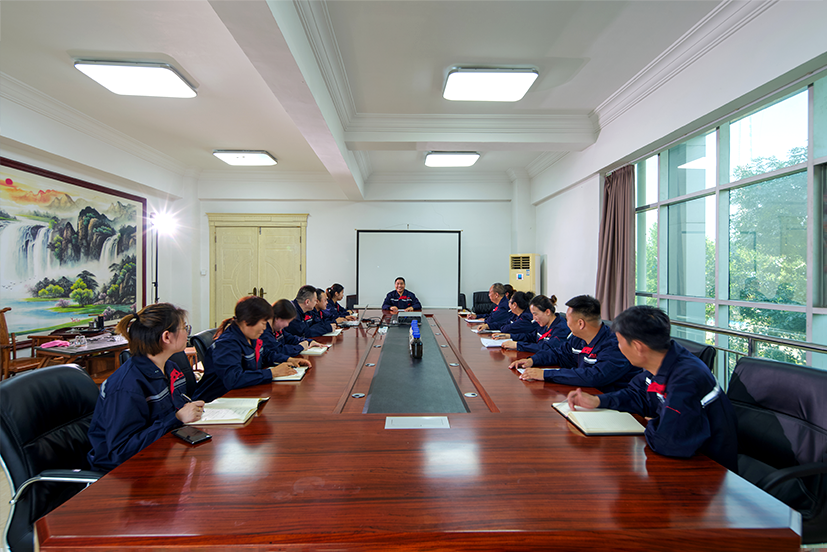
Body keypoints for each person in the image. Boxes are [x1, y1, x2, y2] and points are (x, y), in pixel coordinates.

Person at [565, 306, 738, 471]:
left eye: (620, 342)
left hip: (706, 470)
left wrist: (655, 422)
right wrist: (598, 401)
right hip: (681, 460)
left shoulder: (686, 379)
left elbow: (667, 442)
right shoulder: (663, 361)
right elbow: (637, 395)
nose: (618, 347)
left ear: (638, 347)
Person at [87, 303, 205, 472]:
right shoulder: (127, 386)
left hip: (164, 453)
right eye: (184, 328)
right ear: (167, 337)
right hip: (123, 473)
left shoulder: (171, 369)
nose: (187, 333)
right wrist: (177, 418)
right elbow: (121, 450)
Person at [509, 295, 640, 392]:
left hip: (611, 404)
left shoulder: (614, 344)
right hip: (586, 395)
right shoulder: (578, 338)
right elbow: (558, 353)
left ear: (580, 323)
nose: (566, 323)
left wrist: (545, 374)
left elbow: (594, 376)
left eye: (568, 319)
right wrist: (532, 360)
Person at [193, 296, 299, 402]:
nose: (264, 327)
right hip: (215, 402)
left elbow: (265, 354)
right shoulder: (227, 343)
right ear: (247, 321)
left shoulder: (251, 337)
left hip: (241, 396)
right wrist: (272, 373)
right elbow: (233, 379)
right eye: (263, 323)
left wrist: (288, 359)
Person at [497, 294, 569, 352]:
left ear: (547, 312)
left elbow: (547, 348)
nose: (534, 318)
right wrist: (510, 336)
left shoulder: (561, 328)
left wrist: (518, 345)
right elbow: (531, 337)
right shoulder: (544, 324)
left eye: (535, 314)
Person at [258, 299, 318, 367]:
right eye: (287, 321)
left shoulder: (277, 328)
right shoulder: (264, 332)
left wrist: (309, 341)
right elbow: (278, 350)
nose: (287, 325)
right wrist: (300, 347)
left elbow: (290, 338)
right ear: (277, 318)